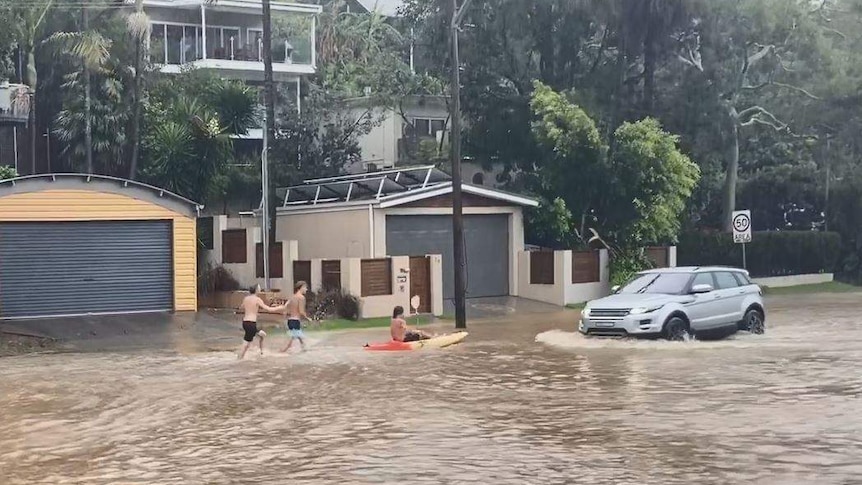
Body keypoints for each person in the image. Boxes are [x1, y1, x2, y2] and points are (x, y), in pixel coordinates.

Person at [238, 284, 285, 360]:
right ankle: (257, 353)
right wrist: (279, 308)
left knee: (251, 340)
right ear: (256, 290)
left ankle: (256, 353)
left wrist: (254, 312)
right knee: (255, 338)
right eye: (259, 287)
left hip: (245, 322)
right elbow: (268, 309)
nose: (260, 289)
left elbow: (241, 307)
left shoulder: (246, 298)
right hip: (251, 323)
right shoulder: (257, 299)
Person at [280, 281, 311, 353]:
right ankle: (281, 352)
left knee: (298, 337)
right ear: (301, 288)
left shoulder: (292, 297)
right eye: (305, 288)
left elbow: (285, 308)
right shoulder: (301, 298)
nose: (306, 289)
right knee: (291, 340)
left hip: (290, 320)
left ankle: (304, 349)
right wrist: (307, 318)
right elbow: (301, 311)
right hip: (295, 321)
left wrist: (284, 318)